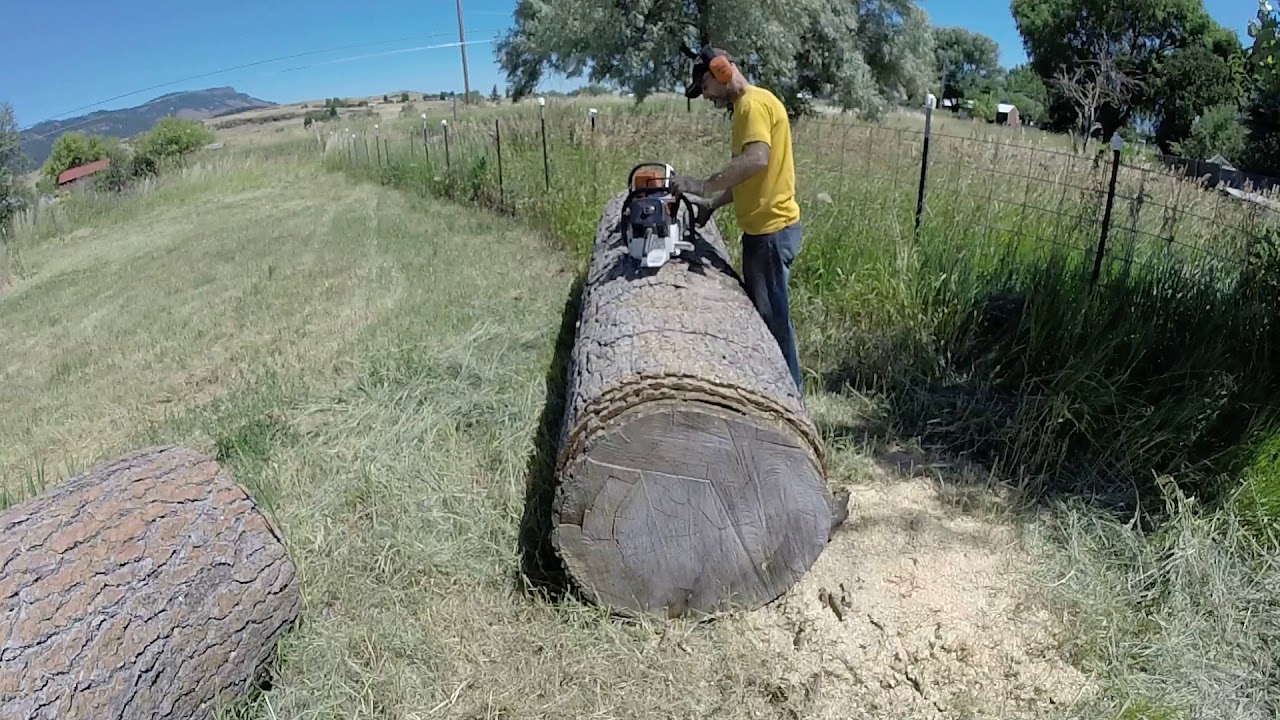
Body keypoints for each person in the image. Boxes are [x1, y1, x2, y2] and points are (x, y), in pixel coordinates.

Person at [670, 46, 806, 395]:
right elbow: (746, 176)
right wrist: (712, 204)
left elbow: (757, 160)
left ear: (721, 71)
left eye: (705, 87)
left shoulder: (750, 105)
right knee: (767, 320)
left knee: (773, 326)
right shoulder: (755, 103)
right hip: (767, 232)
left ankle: (790, 402)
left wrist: (701, 185)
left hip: (770, 233)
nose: (706, 96)